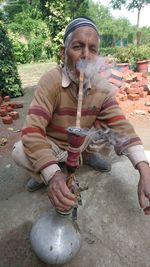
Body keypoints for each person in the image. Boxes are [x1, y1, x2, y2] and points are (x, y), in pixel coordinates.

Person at [12, 16, 150, 215]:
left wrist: (144, 170)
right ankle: (44, 169)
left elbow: (122, 127)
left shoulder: (102, 87)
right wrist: (53, 174)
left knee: (110, 130)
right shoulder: (51, 81)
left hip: (83, 141)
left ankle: (87, 155)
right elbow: (32, 130)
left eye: (92, 49)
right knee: (20, 151)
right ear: (63, 53)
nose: (86, 55)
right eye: (77, 47)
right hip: (53, 143)